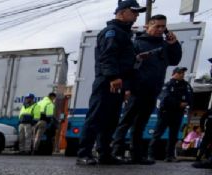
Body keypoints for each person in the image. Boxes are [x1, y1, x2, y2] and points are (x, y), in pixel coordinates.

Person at [75, 0, 145, 166]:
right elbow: (108, 56)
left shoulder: (125, 34)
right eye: (134, 12)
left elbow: (124, 61)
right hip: (107, 82)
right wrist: (113, 77)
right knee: (95, 118)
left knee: (111, 120)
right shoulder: (112, 32)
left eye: (137, 13)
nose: (137, 16)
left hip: (118, 83)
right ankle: (83, 154)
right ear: (121, 12)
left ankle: (105, 153)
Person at [111, 14, 181, 164]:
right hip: (137, 89)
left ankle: (137, 155)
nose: (160, 29)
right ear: (148, 26)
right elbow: (127, 67)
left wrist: (174, 44)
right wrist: (128, 88)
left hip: (153, 90)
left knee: (141, 124)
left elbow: (175, 60)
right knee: (126, 121)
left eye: (163, 27)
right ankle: (116, 152)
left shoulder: (164, 45)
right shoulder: (137, 44)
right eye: (157, 26)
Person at [149, 67, 192, 162]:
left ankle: (170, 156)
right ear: (174, 74)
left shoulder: (186, 85)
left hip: (178, 114)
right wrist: (178, 103)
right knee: (157, 134)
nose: (182, 74)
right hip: (166, 113)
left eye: (183, 73)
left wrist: (186, 103)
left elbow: (190, 97)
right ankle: (150, 155)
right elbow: (165, 98)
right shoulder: (168, 85)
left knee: (173, 136)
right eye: (180, 72)